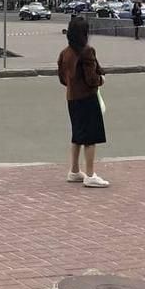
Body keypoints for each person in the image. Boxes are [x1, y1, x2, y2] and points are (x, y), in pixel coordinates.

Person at [57, 18, 109, 188]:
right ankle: (90, 174)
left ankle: (74, 170)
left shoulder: (65, 53)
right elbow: (91, 78)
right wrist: (100, 80)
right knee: (90, 137)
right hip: (87, 97)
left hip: (72, 97)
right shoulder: (86, 52)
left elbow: (62, 79)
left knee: (77, 134)